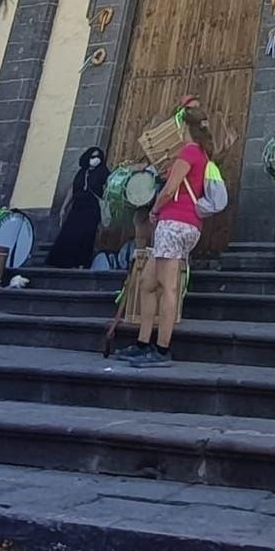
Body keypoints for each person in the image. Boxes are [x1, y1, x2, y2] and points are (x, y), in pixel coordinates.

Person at [123, 101, 209, 369]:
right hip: (184, 224)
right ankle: (143, 343)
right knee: (149, 283)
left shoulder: (189, 153)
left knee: (168, 288)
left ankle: (162, 350)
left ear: (183, 126)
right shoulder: (202, 154)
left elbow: (170, 189)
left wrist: (155, 209)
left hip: (174, 223)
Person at [47, 146, 110, 270]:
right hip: (77, 207)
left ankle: (82, 262)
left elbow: (107, 189)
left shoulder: (103, 172)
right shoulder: (82, 172)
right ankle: (63, 261)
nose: (95, 159)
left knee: (87, 235)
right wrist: (64, 207)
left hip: (92, 208)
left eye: (98, 157)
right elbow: (72, 189)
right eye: (93, 157)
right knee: (70, 233)